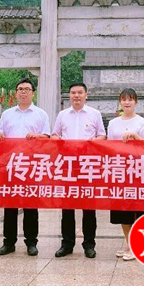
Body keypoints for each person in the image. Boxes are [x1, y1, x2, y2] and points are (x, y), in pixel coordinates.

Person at [0, 78, 50, 257]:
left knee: (31, 206)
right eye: (20, 89)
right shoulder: (7, 114)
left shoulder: (41, 114)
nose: (23, 92)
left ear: (33, 93)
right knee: (9, 206)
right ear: (16, 93)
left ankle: (31, 242)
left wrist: (37, 136)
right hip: (10, 165)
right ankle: (8, 242)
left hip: (31, 165)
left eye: (27, 89)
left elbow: (47, 137)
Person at [51, 82, 106, 259]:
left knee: (88, 207)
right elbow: (54, 134)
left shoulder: (94, 114)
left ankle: (89, 244)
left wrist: (91, 143)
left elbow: (102, 135)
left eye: (80, 92)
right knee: (67, 207)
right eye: (73, 93)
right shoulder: (62, 115)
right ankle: (67, 244)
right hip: (67, 165)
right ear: (69, 95)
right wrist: (59, 141)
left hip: (87, 165)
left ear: (86, 95)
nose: (76, 96)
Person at [107, 88, 144, 261]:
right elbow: (109, 146)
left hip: (137, 169)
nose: (127, 102)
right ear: (119, 102)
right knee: (122, 210)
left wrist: (135, 136)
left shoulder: (142, 122)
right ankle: (130, 243)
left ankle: (136, 245)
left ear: (136, 102)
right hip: (119, 170)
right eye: (124, 99)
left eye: (130, 99)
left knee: (137, 209)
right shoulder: (113, 123)